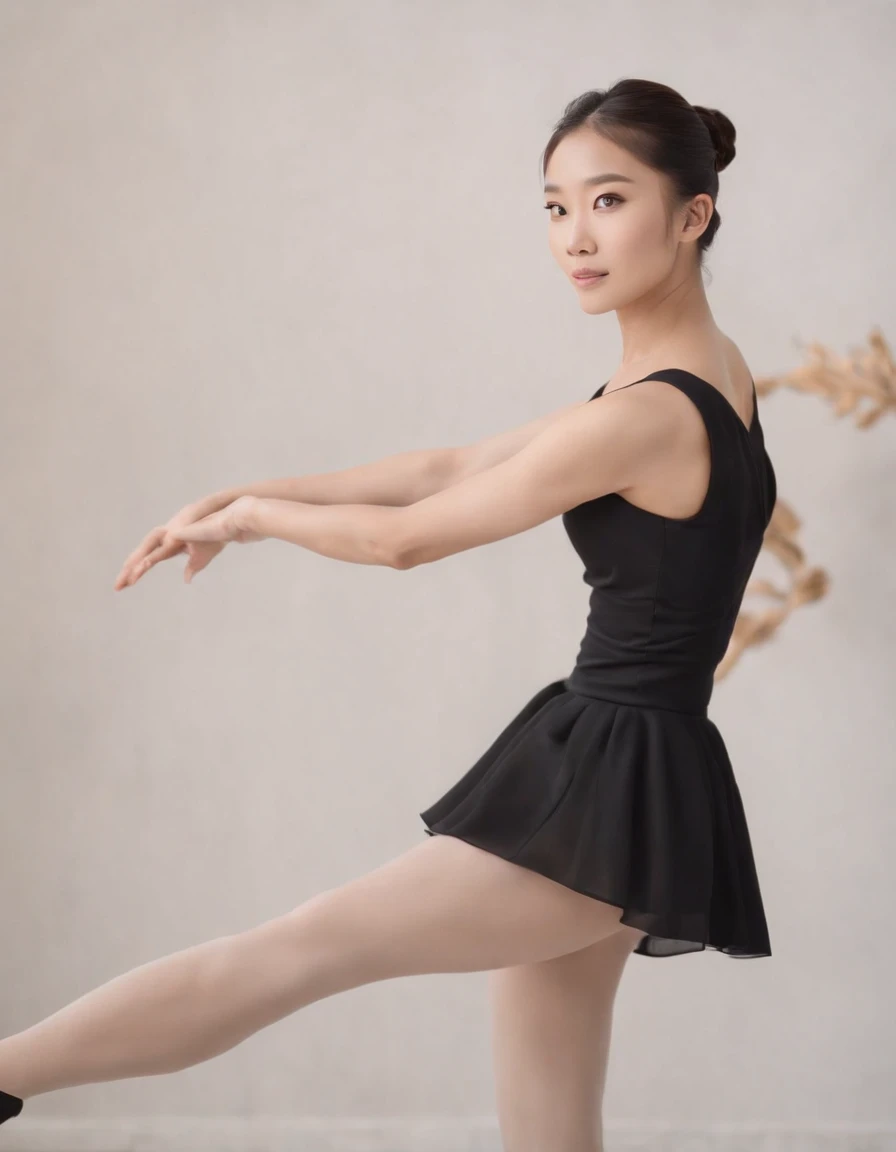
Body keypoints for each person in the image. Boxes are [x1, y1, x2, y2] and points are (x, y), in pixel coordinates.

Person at [0, 77, 775, 1151]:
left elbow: (408, 539)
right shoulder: (708, 377)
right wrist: (241, 495)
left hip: (601, 784)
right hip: (629, 773)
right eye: (553, 206)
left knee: (281, 957)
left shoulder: (646, 415)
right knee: (548, 1129)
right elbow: (442, 467)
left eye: (607, 201)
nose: (572, 237)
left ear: (690, 214)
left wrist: (257, 520)